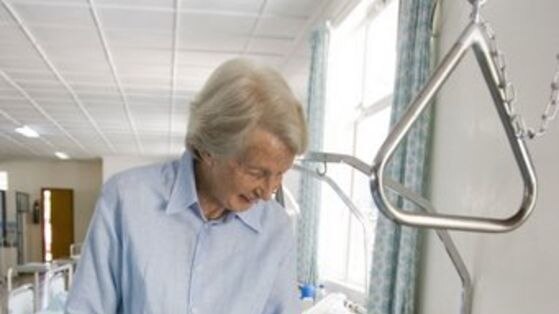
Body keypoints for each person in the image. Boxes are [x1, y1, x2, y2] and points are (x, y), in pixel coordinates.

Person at [65, 58, 308, 314]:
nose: (269, 192)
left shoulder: (275, 229)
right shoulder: (125, 201)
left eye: (280, 174)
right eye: (256, 172)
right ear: (209, 150)